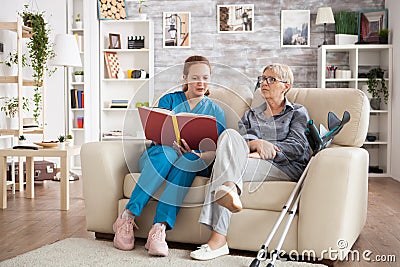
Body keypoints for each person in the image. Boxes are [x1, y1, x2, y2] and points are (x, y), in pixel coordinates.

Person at [190, 63, 310, 260]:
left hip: (284, 166)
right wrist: (256, 143)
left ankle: (219, 237)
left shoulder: (297, 112)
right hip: (250, 162)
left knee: (226, 165)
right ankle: (228, 191)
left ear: (286, 86)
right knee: (228, 136)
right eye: (262, 79)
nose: (264, 83)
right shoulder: (250, 115)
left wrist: (266, 150)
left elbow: (297, 147)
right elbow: (241, 143)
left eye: (271, 79)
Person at [112, 55, 226, 257]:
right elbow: (154, 131)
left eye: (205, 77)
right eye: (195, 77)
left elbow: (217, 149)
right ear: (184, 78)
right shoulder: (169, 100)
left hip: (191, 159)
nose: (200, 82)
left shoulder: (215, 110)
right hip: (160, 153)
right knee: (167, 153)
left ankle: (159, 229)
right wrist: (169, 140)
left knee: (190, 161)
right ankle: (127, 217)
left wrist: (197, 154)